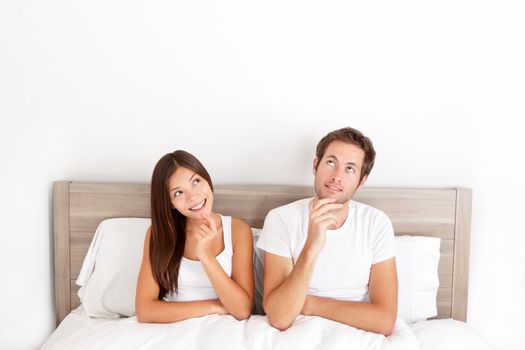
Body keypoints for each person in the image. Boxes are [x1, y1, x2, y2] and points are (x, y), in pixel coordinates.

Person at [257, 127, 398, 335]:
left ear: (362, 181)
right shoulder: (281, 219)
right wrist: (312, 248)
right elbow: (280, 317)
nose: (337, 176)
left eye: (350, 169)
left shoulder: (376, 223)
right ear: (316, 165)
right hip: (297, 335)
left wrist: (309, 304)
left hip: (357, 334)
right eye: (331, 162)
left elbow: (384, 321)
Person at [136, 150, 254, 323]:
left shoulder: (238, 231)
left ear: (207, 179)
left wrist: (205, 257)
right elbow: (145, 311)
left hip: (222, 329)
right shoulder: (158, 234)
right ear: (170, 203)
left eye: (196, 182)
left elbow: (243, 310)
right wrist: (215, 306)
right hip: (170, 328)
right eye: (178, 193)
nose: (193, 197)